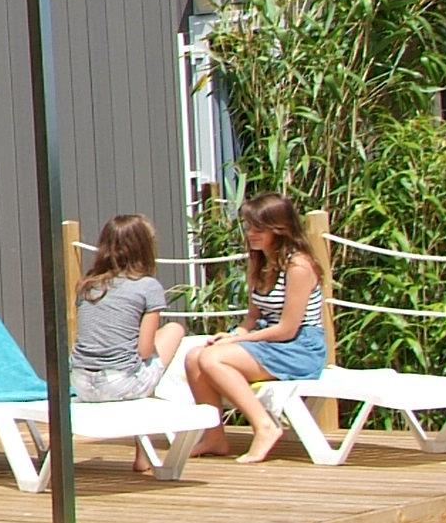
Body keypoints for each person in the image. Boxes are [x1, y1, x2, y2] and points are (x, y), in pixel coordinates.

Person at [186, 192, 328, 462]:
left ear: (279, 229)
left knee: (212, 359)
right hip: (268, 340)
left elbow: (287, 329)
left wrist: (237, 342)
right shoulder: (258, 261)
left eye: (258, 229)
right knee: (194, 357)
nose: (251, 233)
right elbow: (252, 317)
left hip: (300, 347)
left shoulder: (299, 266)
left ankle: (265, 426)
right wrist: (234, 335)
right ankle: (214, 437)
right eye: (249, 226)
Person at [71, 213, 184, 403]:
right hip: (119, 384)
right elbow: (145, 351)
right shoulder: (148, 286)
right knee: (174, 329)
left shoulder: (87, 286)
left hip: (80, 383)